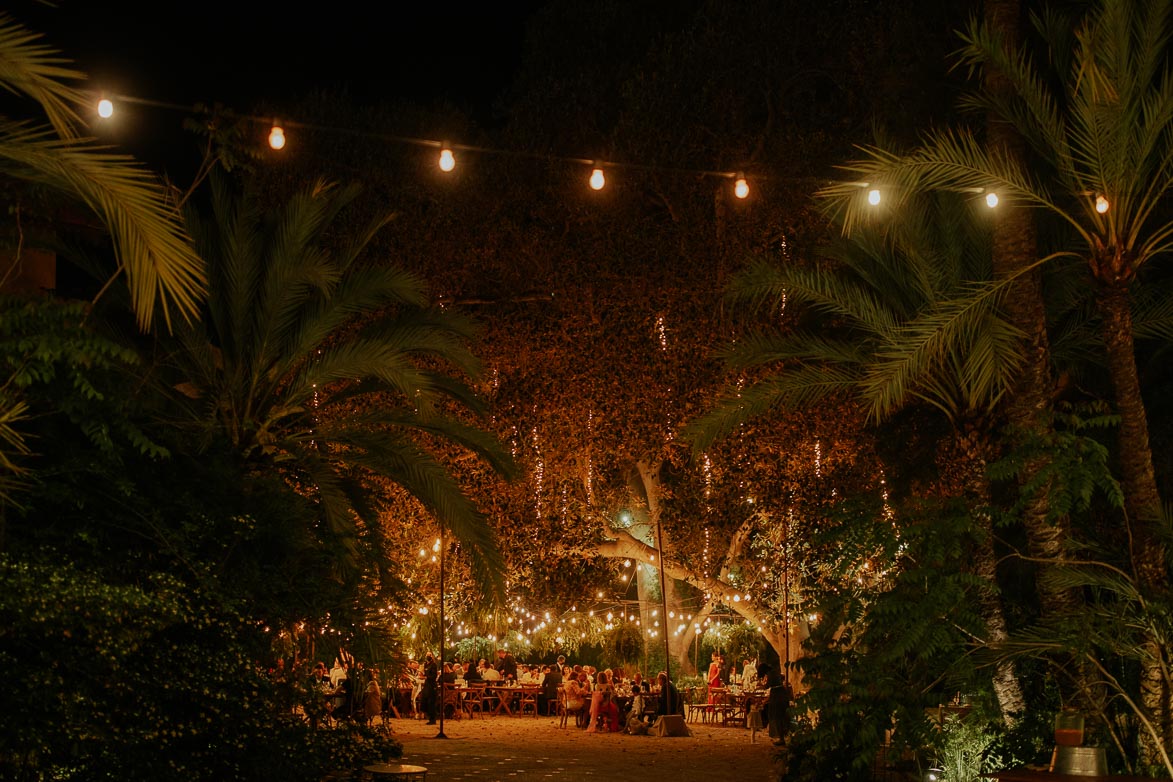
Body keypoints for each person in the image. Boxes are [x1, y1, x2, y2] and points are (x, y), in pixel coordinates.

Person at [758, 663, 791, 744]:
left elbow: (768, 685)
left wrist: (761, 685)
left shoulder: (770, 674)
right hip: (781, 694)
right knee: (781, 716)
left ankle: (781, 738)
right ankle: (783, 736)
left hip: (777, 696)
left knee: (777, 716)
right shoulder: (774, 672)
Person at [421, 653, 438, 725]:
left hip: (431, 685)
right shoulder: (425, 665)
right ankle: (428, 716)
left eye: (429, 655)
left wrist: (427, 677)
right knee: (425, 700)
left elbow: (434, 676)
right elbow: (425, 673)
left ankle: (432, 719)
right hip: (426, 685)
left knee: (431, 702)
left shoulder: (433, 665)